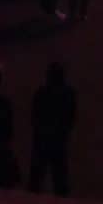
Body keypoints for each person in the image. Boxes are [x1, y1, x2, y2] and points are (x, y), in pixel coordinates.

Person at [30, 63, 78, 195]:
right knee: (59, 177)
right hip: (57, 139)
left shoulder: (42, 93)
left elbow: (35, 116)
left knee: (38, 176)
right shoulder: (68, 94)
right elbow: (70, 117)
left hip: (43, 139)